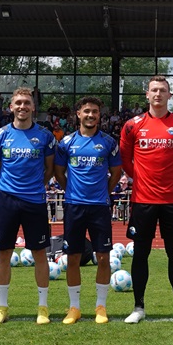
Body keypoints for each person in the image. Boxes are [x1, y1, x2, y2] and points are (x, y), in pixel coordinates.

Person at [119, 75, 173, 324]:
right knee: (141, 253)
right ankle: (138, 307)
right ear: (147, 94)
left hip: (172, 200)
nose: (158, 94)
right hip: (143, 201)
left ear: (169, 95)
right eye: (154, 90)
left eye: (163, 90)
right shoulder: (132, 125)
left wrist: (171, 180)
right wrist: (142, 180)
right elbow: (125, 161)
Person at [0, 87, 56, 325]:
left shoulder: (46, 136)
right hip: (7, 200)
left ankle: (43, 308)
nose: (22, 107)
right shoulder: (0, 136)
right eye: (18, 102)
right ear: (11, 107)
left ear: (33, 107)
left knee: (40, 253)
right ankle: (3, 307)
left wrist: (35, 186)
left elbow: (49, 170)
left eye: (27, 103)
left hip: (35, 200)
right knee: (4, 253)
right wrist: (10, 187)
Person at [54, 96, 122, 324]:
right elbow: (59, 173)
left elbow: (116, 173)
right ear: (78, 115)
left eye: (95, 111)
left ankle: (100, 307)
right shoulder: (66, 143)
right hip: (74, 206)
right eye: (87, 111)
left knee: (103, 257)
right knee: (72, 258)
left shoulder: (109, 143)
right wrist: (72, 191)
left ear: (99, 116)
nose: (91, 115)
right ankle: (74, 308)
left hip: (99, 207)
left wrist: (104, 192)